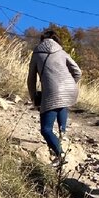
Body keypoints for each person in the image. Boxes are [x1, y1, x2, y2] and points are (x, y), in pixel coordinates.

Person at [27, 29, 82, 165]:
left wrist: (34, 97)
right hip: (70, 89)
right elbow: (78, 72)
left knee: (45, 129)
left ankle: (60, 154)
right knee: (62, 103)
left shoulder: (36, 53)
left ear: (42, 39)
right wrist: (68, 84)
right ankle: (62, 133)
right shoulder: (62, 52)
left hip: (52, 92)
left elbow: (31, 79)